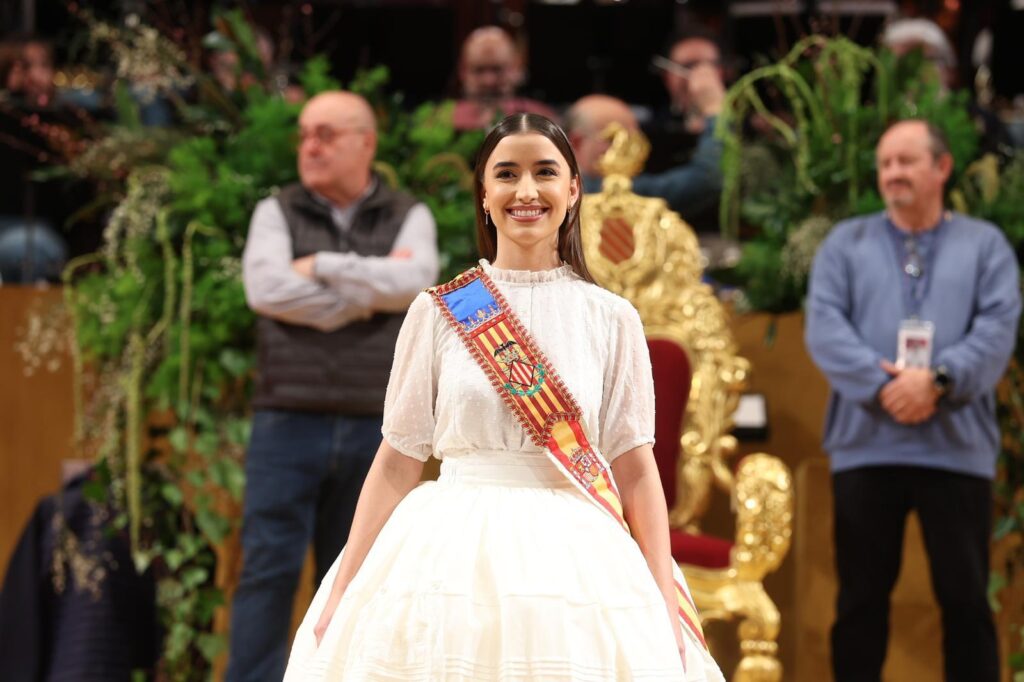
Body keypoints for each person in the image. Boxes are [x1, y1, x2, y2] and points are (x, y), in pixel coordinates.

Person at [282, 113, 724, 681]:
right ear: (485, 194)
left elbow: (636, 471)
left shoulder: (612, 319)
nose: (526, 191)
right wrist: (346, 583)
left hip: (576, 555)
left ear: (572, 189)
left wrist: (663, 595)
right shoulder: (441, 311)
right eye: (507, 174)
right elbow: (397, 460)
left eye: (545, 172)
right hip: (449, 549)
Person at [227, 90, 439, 681]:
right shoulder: (276, 209)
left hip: (378, 428)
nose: (310, 146)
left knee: (362, 576)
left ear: (365, 143)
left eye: (326, 134)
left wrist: (319, 266)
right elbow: (266, 291)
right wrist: (370, 296)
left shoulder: (408, 213)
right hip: (286, 417)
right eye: (304, 134)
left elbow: (417, 281)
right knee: (267, 571)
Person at [805, 119, 1020, 682]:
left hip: (956, 452)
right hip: (865, 450)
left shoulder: (985, 246)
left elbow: (998, 328)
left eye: (906, 161)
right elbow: (824, 327)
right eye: (885, 164)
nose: (893, 174)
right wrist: (886, 389)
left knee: (968, 605)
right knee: (859, 604)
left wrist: (939, 381)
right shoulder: (844, 244)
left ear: (942, 167)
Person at [565, 93, 723, 232]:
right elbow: (707, 179)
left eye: (635, 141)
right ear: (577, 142)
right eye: (613, 139)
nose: (632, 151)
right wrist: (715, 112)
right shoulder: (598, 192)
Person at [452, 26, 558, 131]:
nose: (489, 81)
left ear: (516, 68)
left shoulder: (542, 121)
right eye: (479, 70)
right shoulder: (441, 121)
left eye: (497, 69)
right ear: (463, 71)